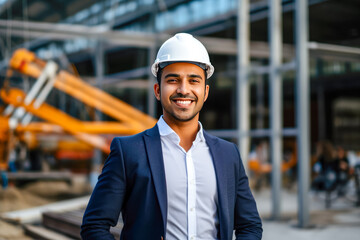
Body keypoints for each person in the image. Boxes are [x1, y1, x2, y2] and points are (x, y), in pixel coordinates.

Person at [81, 33, 262, 240]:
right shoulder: (128, 152)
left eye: (193, 80)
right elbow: (94, 226)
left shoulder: (228, 154)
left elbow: (250, 225)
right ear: (158, 90)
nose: (183, 90)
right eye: (173, 80)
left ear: (205, 92)